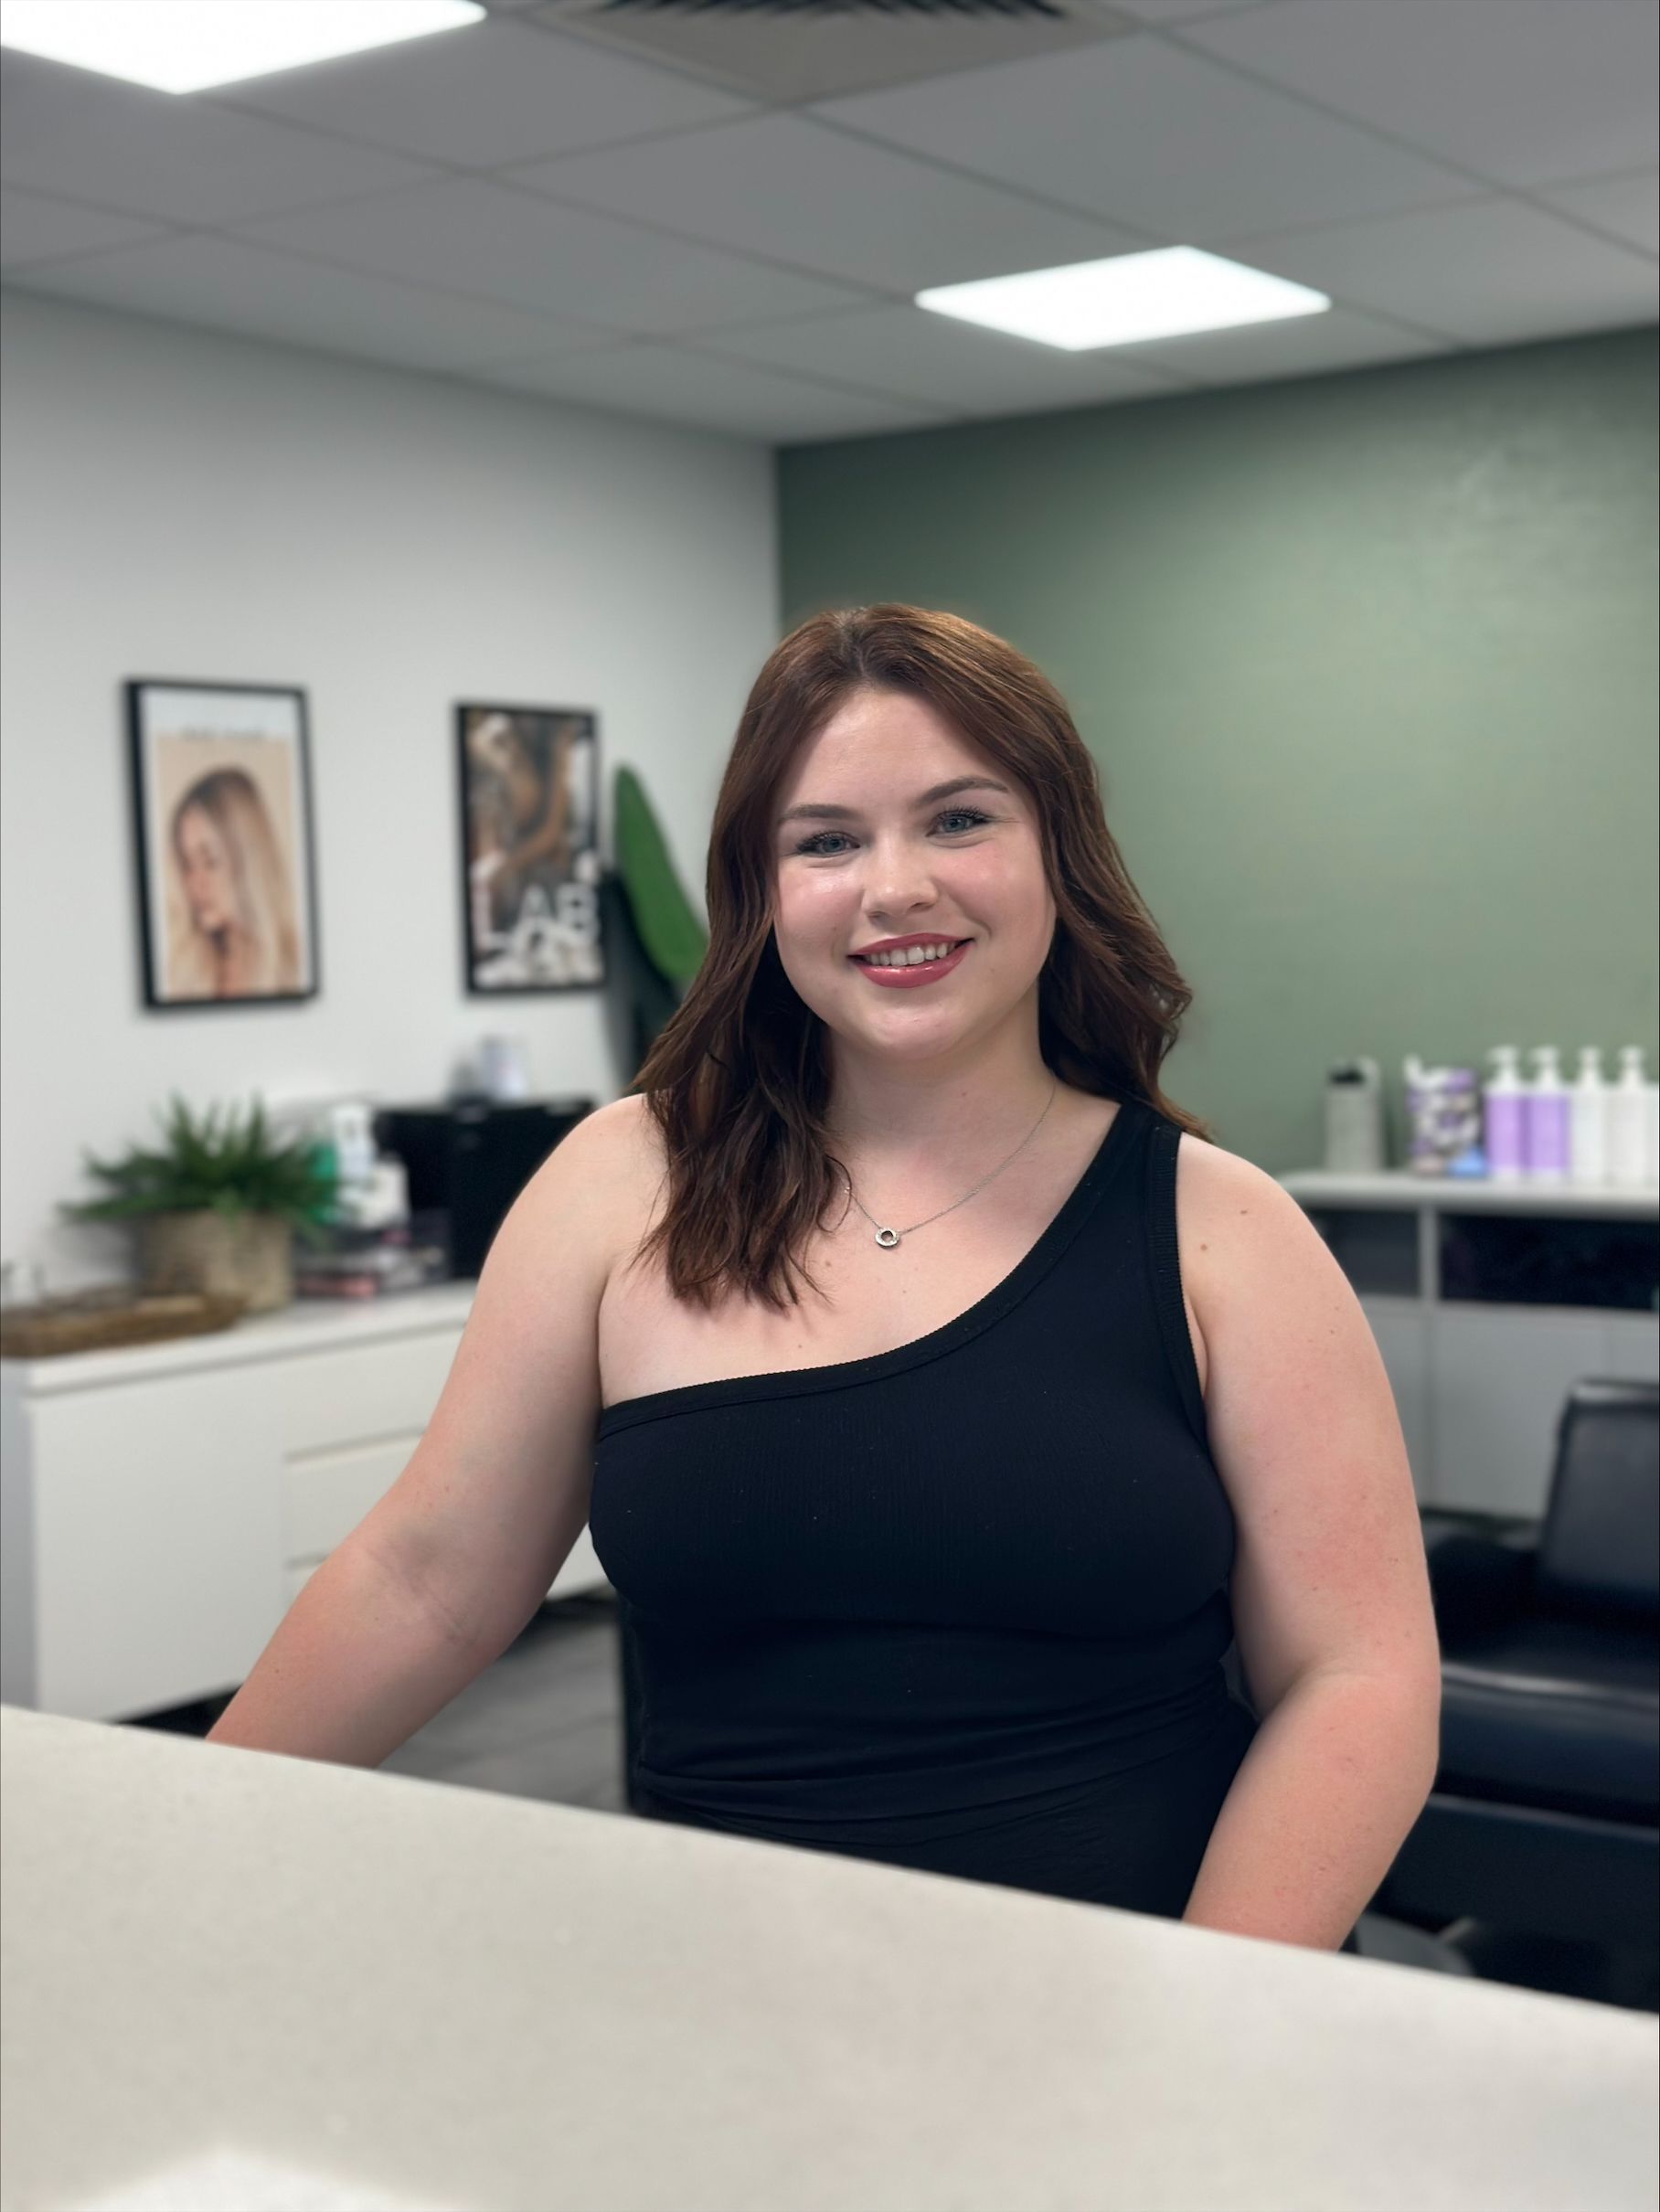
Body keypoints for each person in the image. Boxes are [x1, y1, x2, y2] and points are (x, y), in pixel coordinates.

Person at [208, 605, 1441, 1955]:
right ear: (764, 888)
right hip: (733, 2012)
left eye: (961, 819)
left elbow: (1355, 1677)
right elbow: (427, 1580)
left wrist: (1210, 2018)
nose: (893, 886)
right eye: (827, 840)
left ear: (1059, 853)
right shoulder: (625, 1184)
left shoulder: (1223, 1232)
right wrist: (170, 1832)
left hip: (1140, 2005)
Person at [167, 766, 303, 997]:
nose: (195, 882)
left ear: (248, 859)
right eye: (187, 863)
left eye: (210, 861)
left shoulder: (295, 969)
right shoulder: (181, 971)